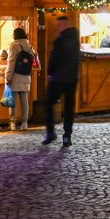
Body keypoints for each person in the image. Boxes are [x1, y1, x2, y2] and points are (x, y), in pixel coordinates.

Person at [43, 16, 80, 147]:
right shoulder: (76, 39)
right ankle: (67, 136)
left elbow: (55, 59)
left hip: (59, 78)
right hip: (72, 78)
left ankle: (50, 132)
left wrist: (50, 73)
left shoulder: (60, 40)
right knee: (69, 108)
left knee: (48, 102)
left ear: (64, 25)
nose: (57, 28)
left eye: (59, 26)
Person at [5, 27, 37, 131]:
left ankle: (13, 123)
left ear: (15, 35)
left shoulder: (15, 46)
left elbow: (11, 62)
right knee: (24, 101)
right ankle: (24, 123)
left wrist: (8, 76)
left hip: (15, 76)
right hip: (26, 76)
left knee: (13, 101)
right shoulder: (29, 46)